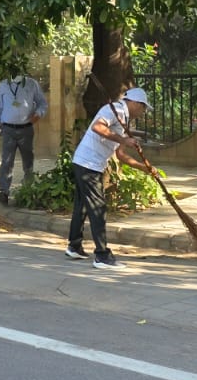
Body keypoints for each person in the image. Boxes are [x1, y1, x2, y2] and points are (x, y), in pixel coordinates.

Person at [65, 87, 153, 270]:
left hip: (87, 163)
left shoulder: (123, 119)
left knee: (82, 206)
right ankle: (102, 255)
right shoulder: (115, 109)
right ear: (136, 103)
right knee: (98, 208)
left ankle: (74, 246)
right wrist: (123, 140)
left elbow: (120, 154)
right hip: (88, 164)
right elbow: (97, 127)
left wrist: (143, 167)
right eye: (143, 108)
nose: (143, 112)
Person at [0, 72, 48, 205]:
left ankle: (27, 189)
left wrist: (37, 115)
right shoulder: (4, 84)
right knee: (6, 161)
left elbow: (43, 104)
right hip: (8, 129)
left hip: (26, 129)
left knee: (28, 161)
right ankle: (4, 191)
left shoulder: (31, 84)